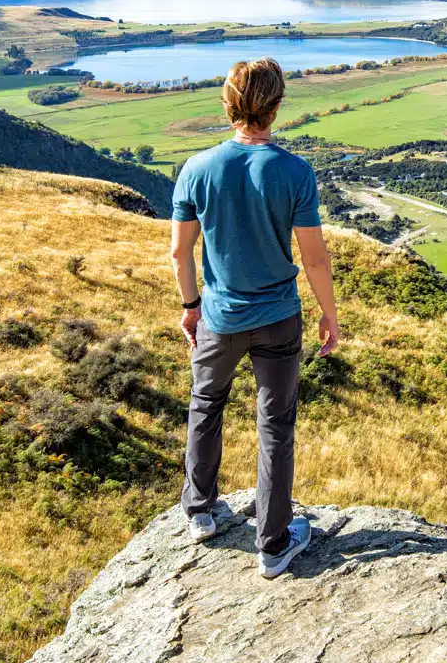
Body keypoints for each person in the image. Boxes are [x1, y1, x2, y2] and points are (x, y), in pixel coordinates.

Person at [169, 57, 340, 579]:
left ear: (229, 103)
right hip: (278, 319)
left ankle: (200, 513)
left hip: (219, 317)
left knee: (206, 406)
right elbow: (313, 258)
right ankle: (274, 544)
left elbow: (180, 253)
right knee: (275, 426)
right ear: (277, 104)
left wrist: (191, 307)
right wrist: (329, 315)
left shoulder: (197, 168)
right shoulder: (294, 171)